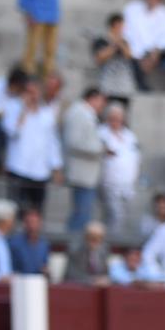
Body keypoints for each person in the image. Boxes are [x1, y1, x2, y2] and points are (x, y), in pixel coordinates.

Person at [2, 79, 63, 213]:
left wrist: (56, 167)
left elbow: (52, 143)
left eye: (35, 92)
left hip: (39, 171)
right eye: (29, 92)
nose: (32, 96)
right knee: (15, 210)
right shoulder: (13, 108)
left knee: (36, 211)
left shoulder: (47, 115)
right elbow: (12, 132)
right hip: (18, 168)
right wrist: (24, 111)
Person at [61, 88, 105, 232]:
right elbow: (73, 142)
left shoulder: (84, 113)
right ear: (93, 98)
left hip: (86, 174)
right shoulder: (79, 113)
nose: (102, 105)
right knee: (81, 216)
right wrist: (100, 149)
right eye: (101, 101)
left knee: (83, 214)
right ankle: (73, 247)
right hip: (81, 174)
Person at [97, 104, 140, 232]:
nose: (116, 121)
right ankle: (113, 244)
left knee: (124, 218)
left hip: (127, 184)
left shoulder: (130, 136)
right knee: (115, 216)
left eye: (118, 118)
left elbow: (135, 157)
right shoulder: (101, 133)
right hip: (109, 182)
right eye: (113, 118)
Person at [92, 14, 136, 109]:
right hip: (107, 84)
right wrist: (114, 45)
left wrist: (120, 43)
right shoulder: (101, 40)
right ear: (115, 25)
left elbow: (129, 56)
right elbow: (100, 58)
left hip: (123, 86)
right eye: (121, 25)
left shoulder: (125, 42)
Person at [65, 221, 113, 285]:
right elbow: (72, 276)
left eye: (98, 237)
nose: (94, 240)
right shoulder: (75, 251)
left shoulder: (104, 252)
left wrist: (105, 279)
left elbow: (106, 274)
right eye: (91, 237)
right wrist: (92, 281)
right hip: (78, 289)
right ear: (85, 237)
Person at [8, 207, 50, 275]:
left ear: (40, 223)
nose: (31, 226)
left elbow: (44, 264)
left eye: (34, 222)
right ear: (24, 224)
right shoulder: (14, 243)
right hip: (20, 281)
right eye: (29, 222)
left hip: (37, 282)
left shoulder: (44, 244)